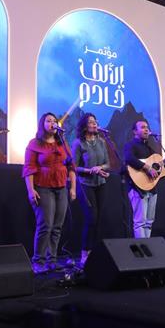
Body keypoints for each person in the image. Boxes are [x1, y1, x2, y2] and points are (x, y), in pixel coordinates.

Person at [23, 113, 76, 273]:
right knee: (46, 225)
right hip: (43, 187)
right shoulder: (35, 143)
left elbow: (71, 166)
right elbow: (29, 168)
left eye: (54, 121)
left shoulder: (62, 143)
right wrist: (31, 190)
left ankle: (52, 260)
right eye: (49, 121)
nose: (52, 123)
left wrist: (73, 188)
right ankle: (38, 261)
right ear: (42, 124)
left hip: (61, 188)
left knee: (57, 226)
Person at [71, 113, 111, 268]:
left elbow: (107, 164)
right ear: (84, 125)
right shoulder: (78, 143)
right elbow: (74, 166)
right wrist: (90, 170)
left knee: (99, 219)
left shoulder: (101, 142)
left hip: (101, 183)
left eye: (96, 122)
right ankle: (85, 252)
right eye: (91, 122)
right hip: (85, 184)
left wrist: (100, 168)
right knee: (91, 218)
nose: (95, 124)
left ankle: (95, 252)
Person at [122, 120, 165, 238]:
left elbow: (162, 168)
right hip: (136, 187)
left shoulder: (150, 149)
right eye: (142, 127)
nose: (146, 129)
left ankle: (147, 245)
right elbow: (129, 158)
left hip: (151, 188)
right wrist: (147, 168)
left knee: (149, 222)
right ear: (135, 131)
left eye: (147, 127)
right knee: (140, 221)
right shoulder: (130, 145)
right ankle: (142, 246)